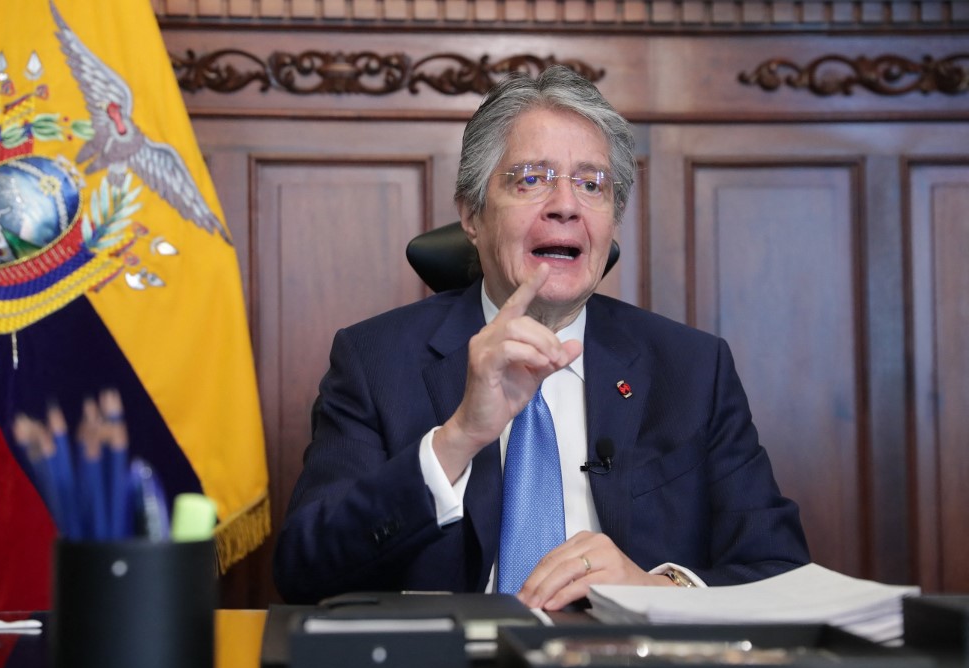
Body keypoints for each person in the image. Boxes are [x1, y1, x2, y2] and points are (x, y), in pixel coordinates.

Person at [273, 65, 809, 610]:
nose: (566, 205)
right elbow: (304, 571)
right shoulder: (376, 361)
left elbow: (782, 572)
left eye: (592, 184)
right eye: (531, 178)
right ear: (472, 215)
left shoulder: (692, 369)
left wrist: (656, 590)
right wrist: (458, 437)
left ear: (612, 223)